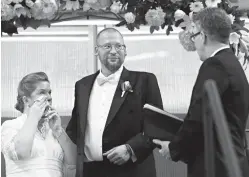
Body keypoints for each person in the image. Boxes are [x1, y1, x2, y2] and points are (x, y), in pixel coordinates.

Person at [153, 8, 249, 177]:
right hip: (232, 162)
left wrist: (174, 148)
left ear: (203, 36)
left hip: (215, 165)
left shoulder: (215, 64)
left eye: (194, 36)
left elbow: (199, 116)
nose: (194, 42)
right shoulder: (232, 63)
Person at [66, 28, 163, 177]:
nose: (113, 51)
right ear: (96, 50)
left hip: (132, 171)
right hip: (91, 171)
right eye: (107, 46)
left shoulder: (145, 81)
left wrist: (130, 148)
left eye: (119, 46)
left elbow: (157, 127)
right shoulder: (82, 85)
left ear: (125, 51)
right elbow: (75, 128)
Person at [1, 72, 77, 177]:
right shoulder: (11, 125)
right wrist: (33, 117)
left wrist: (59, 131)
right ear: (26, 100)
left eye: (49, 92)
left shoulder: (53, 130)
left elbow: (73, 164)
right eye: (42, 92)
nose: (49, 97)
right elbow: (21, 152)